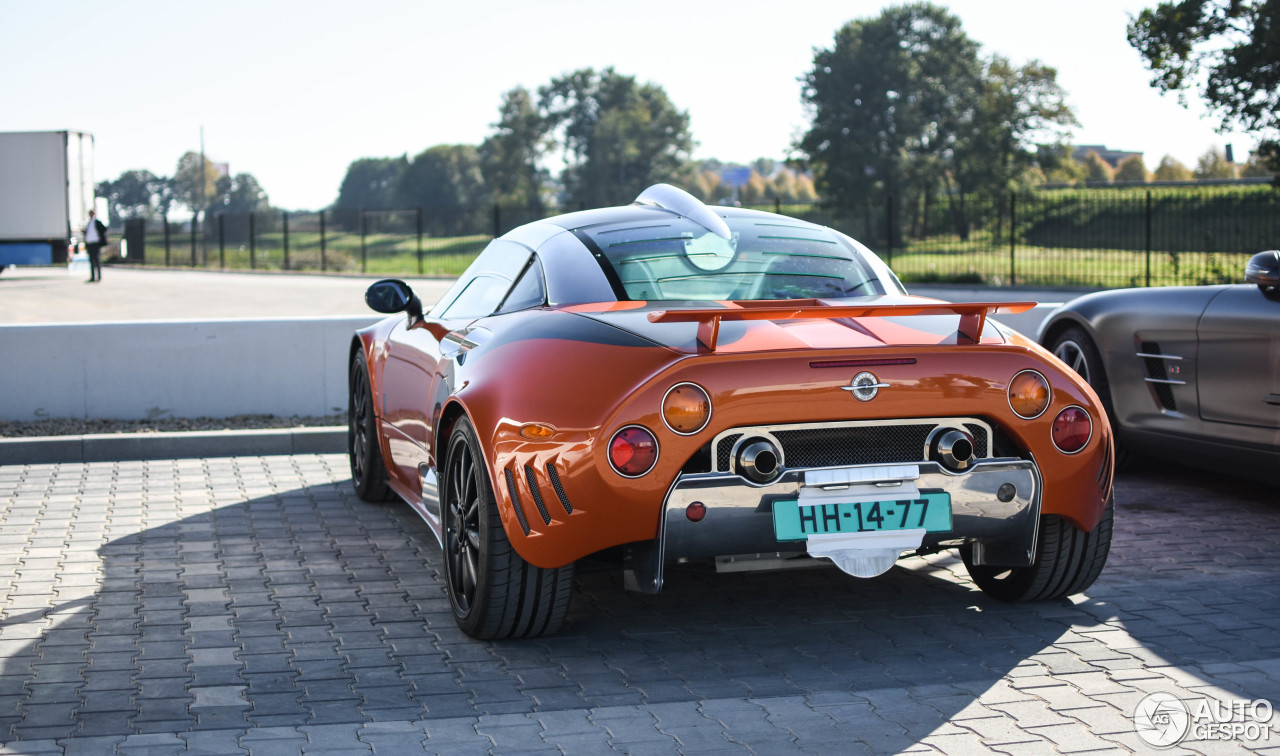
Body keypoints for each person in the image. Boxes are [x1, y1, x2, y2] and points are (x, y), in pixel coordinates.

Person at [84, 210, 107, 282]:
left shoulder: (97, 222)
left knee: (97, 260)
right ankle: (93, 277)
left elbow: (104, 229)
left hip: (96, 243)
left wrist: (100, 236)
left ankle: (99, 276)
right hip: (90, 243)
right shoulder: (89, 223)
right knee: (91, 260)